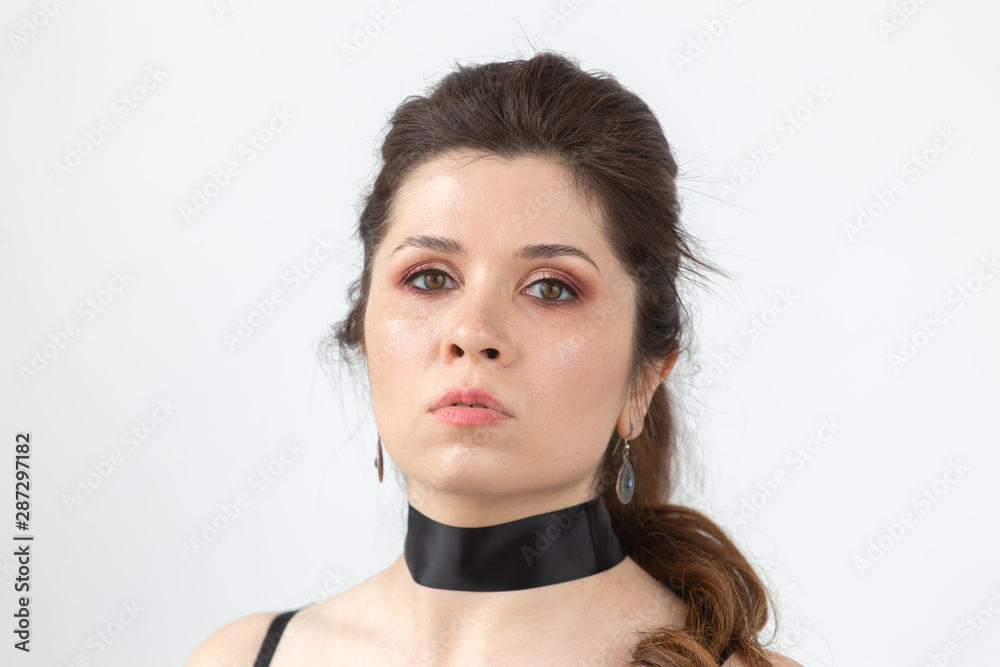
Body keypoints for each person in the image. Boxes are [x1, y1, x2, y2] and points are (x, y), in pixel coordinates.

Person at [186, 51, 805, 667]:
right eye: (429, 279)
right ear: (365, 334)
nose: (473, 332)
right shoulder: (241, 659)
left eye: (551, 288)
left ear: (644, 378)